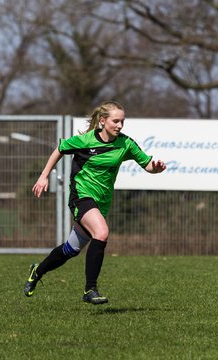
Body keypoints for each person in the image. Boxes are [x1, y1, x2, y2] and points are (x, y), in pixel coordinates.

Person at [24, 100, 166, 305]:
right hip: (81, 196)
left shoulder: (125, 143)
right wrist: (44, 176)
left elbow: (147, 165)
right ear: (102, 121)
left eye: (122, 121)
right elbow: (60, 149)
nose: (120, 125)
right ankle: (90, 289)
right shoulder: (86, 141)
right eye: (115, 121)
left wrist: (157, 167)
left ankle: (37, 272)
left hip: (102, 201)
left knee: (71, 249)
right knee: (101, 233)